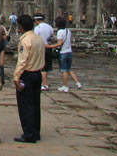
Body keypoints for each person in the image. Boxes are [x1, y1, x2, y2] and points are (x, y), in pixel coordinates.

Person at [13, 14, 45, 144]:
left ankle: (29, 134)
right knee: (35, 104)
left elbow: (22, 61)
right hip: (38, 73)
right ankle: (35, 132)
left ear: (21, 26)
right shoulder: (39, 39)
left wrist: (16, 77)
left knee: (26, 106)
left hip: (27, 74)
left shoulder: (25, 41)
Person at [50, 16, 83, 92]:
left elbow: (60, 43)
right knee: (69, 69)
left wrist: (50, 46)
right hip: (69, 52)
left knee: (64, 70)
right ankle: (78, 83)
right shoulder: (68, 31)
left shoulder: (60, 32)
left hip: (63, 53)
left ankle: (65, 86)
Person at [33, 13, 54, 91]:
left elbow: (35, 38)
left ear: (36, 20)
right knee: (46, 67)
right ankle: (45, 82)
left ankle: (45, 84)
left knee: (42, 68)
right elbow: (51, 36)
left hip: (41, 48)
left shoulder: (37, 28)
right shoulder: (49, 27)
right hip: (48, 47)